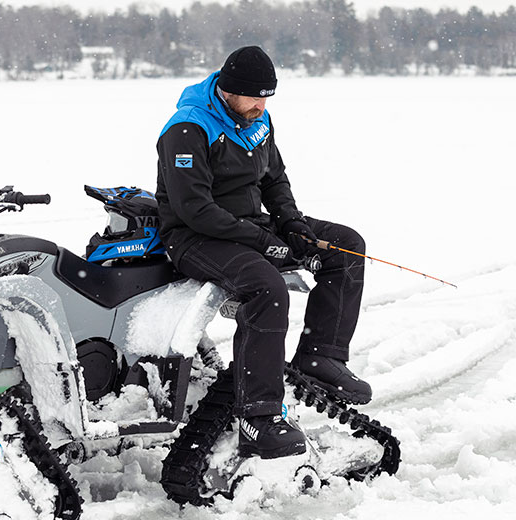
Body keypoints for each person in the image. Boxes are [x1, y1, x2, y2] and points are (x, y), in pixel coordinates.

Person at [155, 45, 371, 460]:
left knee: (345, 247)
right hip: (194, 237)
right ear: (228, 91)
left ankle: (320, 356)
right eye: (255, 96)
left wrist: (293, 227)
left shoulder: (258, 119)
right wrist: (264, 243)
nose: (262, 104)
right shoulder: (187, 129)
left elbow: (275, 180)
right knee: (267, 287)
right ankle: (258, 415)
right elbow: (193, 210)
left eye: (268, 95)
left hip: (250, 225)